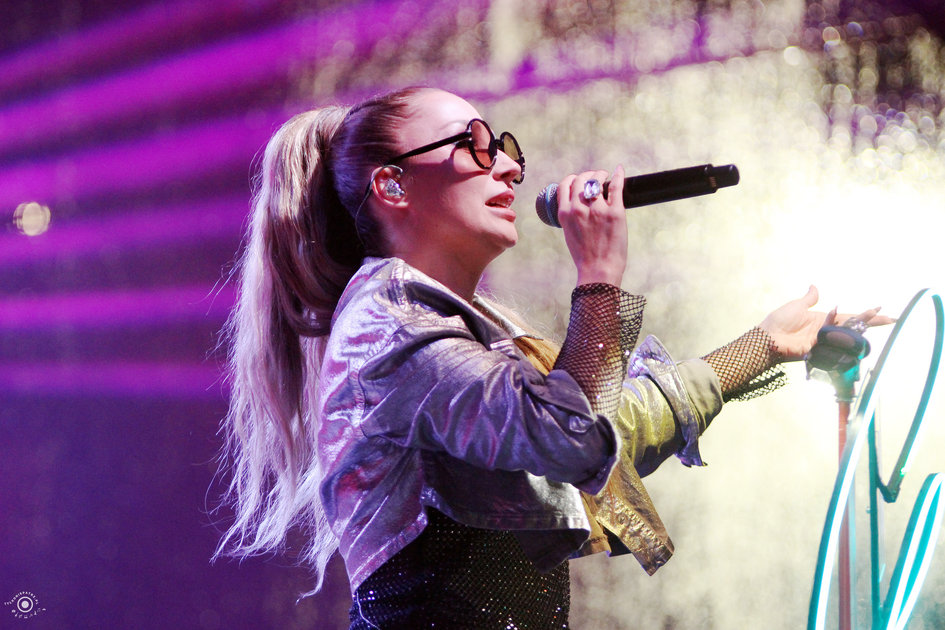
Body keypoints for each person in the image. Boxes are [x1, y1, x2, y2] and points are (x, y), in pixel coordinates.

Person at [214, 86, 887, 628]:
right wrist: (598, 275)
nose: (510, 166)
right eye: (476, 145)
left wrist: (763, 345)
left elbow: (605, 430)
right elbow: (573, 437)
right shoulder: (388, 324)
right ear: (392, 185)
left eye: (506, 148)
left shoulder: (464, 331)